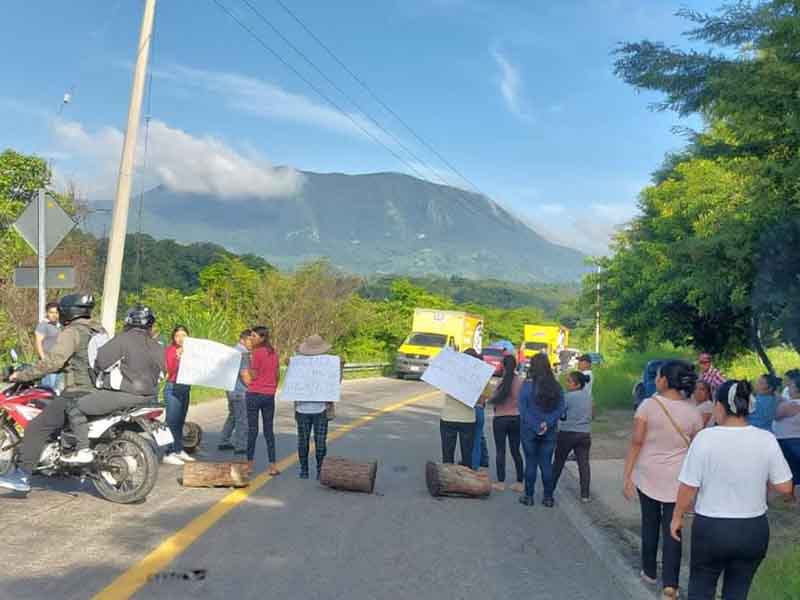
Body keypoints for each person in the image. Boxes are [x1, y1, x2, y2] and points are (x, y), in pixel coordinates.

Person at [670, 380, 794, 600]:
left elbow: (689, 486)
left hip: (711, 529)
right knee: (737, 591)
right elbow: (785, 487)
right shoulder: (766, 439)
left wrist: (677, 517)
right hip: (753, 529)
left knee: (701, 587)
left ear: (719, 407)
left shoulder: (705, 438)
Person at [0, 293, 105, 494]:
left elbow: (53, 361)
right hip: (99, 390)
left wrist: (22, 375)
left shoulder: (71, 332)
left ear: (69, 312)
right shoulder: (98, 329)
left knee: (37, 427)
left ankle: (21, 475)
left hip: (77, 391)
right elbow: (79, 361)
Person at [623, 360, 703, 599]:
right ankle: (671, 585)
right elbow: (697, 449)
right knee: (674, 529)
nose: (656, 380)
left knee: (649, 523)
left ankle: (649, 571)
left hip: (648, 474)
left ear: (665, 380)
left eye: (658, 376)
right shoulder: (694, 412)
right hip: (678, 480)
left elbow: (636, 442)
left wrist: (627, 475)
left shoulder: (648, 405)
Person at [64, 305, 165, 463]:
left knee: (74, 405)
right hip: (151, 397)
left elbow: (101, 363)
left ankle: (82, 448)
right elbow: (163, 373)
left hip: (126, 395)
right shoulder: (157, 345)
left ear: (129, 322)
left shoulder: (122, 339)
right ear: (150, 324)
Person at [518, 352, 565, 508]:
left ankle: (529, 496)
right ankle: (548, 498)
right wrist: (547, 423)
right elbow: (560, 408)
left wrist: (535, 425)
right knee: (546, 463)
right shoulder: (556, 386)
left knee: (530, 462)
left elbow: (523, 410)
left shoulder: (527, 385)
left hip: (529, 430)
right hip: (550, 430)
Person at [293, 334, 340, 480]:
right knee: (318, 442)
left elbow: (334, 384)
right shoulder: (300, 364)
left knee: (305, 441)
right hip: (313, 409)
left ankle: (307, 470)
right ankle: (314, 470)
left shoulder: (301, 364)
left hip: (308, 409)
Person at [243, 325, 280, 476]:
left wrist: (246, 372)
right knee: (268, 431)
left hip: (254, 394)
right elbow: (277, 374)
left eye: (254, 336)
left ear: (262, 338)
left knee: (252, 430)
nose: (251, 338)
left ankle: (249, 465)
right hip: (268, 395)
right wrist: (272, 388)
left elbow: (253, 375)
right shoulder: (274, 353)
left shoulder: (255, 353)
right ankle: (272, 466)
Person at [552, 371, 593, 502]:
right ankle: (585, 495)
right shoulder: (588, 397)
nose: (567, 383)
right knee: (583, 464)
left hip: (567, 433)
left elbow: (559, 413)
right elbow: (593, 414)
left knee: (558, 462)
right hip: (585, 434)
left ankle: (549, 490)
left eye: (569, 381)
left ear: (577, 384)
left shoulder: (567, 397)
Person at [490, 354, 524, 492]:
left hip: (500, 419)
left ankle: (500, 482)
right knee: (516, 451)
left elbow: (493, 402)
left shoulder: (500, 383)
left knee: (500, 450)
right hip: (516, 418)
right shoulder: (521, 381)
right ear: (516, 366)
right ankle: (520, 482)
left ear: (503, 366)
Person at [439, 350, 478, 467]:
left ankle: (446, 478)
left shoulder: (451, 373)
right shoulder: (478, 376)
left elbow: (441, 384)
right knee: (467, 455)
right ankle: (465, 479)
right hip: (468, 419)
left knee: (447, 454)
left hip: (448, 417)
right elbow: (482, 400)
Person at [163, 325, 194, 466]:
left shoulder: (192, 352)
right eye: (177, 336)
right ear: (173, 338)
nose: (181, 338)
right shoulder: (170, 351)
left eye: (183, 335)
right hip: (173, 387)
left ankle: (178, 449)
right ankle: (168, 452)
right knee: (172, 421)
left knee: (180, 421)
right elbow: (170, 370)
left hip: (185, 388)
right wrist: (177, 357)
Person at [218, 329, 252, 455]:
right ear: (243, 340)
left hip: (230, 389)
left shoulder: (232, 351)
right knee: (242, 418)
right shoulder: (242, 354)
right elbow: (244, 374)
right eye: (250, 339)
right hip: (240, 391)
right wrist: (253, 387)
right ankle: (241, 445)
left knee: (233, 416)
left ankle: (224, 440)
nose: (252, 342)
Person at [774, 370, 800, 490]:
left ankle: (793, 496)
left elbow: (776, 415)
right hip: (793, 438)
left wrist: (779, 401)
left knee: (791, 468)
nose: (788, 388)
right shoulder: (791, 403)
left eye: (791, 386)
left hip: (788, 441)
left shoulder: (792, 404)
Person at [35, 301, 62, 393]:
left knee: (56, 389)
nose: (54, 315)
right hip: (48, 362)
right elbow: (38, 343)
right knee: (47, 389)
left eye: (56, 312)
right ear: (47, 313)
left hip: (58, 362)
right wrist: (43, 359)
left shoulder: (60, 325)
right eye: (51, 312)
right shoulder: (43, 325)